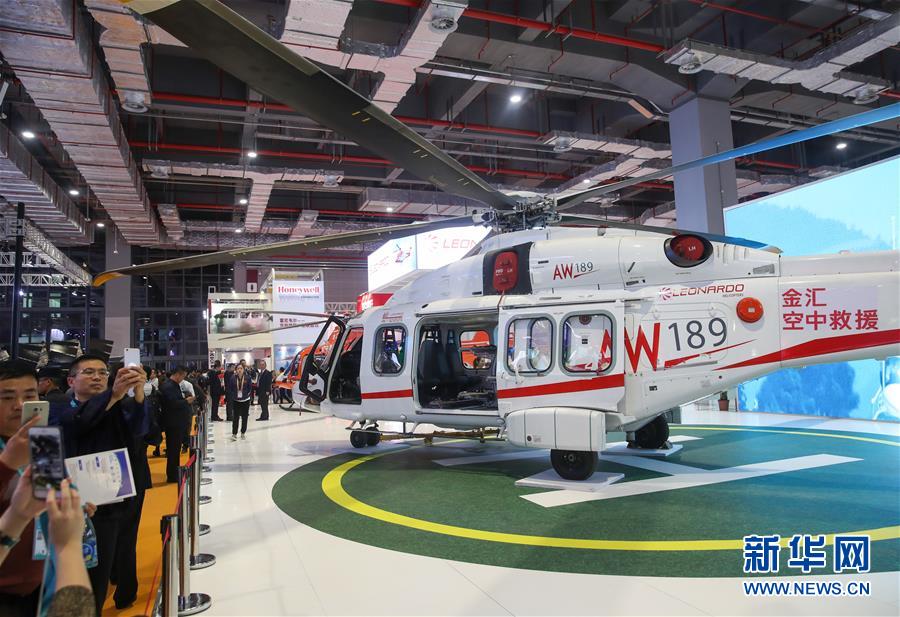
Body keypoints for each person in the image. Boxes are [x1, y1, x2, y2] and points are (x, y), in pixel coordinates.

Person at [54, 355, 149, 613]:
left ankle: (119, 595)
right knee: (76, 577)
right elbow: (79, 422)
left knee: (106, 569)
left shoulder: (117, 406)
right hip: (76, 505)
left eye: (103, 372)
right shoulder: (60, 407)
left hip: (114, 501)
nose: (97, 377)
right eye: (88, 372)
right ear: (71, 381)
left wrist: (138, 394)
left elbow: (141, 431)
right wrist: (114, 395)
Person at [0, 362, 45, 616]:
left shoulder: (42, 440)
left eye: (29, 395)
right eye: (7, 397)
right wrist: (7, 464)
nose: (19, 405)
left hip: (43, 582)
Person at [158, 367, 193, 484]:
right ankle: (173, 475)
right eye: (183, 376)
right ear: (178, 374)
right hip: (173, 423)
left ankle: (174, 472)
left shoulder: (172, 385)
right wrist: (186, 401)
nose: (183, 379)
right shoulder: (168, 386)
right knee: (173, 450)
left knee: (175, 449)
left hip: (175, 422)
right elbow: (172, 404)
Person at [227, 364, 252, 441]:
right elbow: (230, 388)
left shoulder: (247, 377)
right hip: (236, 400)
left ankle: (243, 432)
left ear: (243, 370)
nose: (239, 370)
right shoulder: (233, 378)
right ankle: (234, 434)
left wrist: (246, 395)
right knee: (235, 418)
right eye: (238, 368)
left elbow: (249, 388)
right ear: (236, 370)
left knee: (245, 417)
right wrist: (234, 395)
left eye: (241, 368)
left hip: (245, 400)